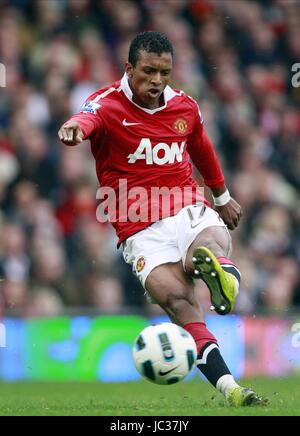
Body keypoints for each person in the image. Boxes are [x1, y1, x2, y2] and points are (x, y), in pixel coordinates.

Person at [58, 31, 265, 406]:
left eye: (165, 73)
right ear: (129, 68)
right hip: (138, 229)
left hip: (185, 206)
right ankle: (231, 388)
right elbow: (84, 118)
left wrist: (221, 196)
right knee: (180, 303)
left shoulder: (185, 107)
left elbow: (201, 145)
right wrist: (74, 129)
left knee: (206, 245)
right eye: (149, 72)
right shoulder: (105, 104)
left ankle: (219, 272)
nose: (157, 81)